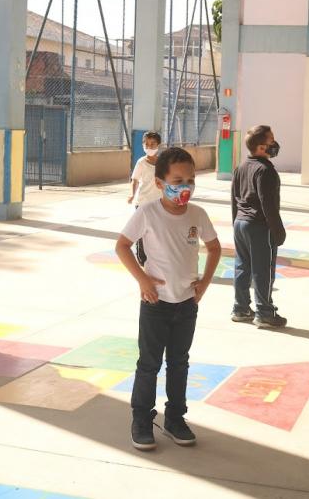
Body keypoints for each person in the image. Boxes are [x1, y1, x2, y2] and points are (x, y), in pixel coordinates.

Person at [116, 147, 221, 451]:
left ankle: (176, 418)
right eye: (178, 180)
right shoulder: (148, 213)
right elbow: (122, 246)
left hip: (186, 304)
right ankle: (141, 420)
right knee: (149, 364)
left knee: (179, 363)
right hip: (155, 305)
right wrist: (143, 279)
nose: (185, 186)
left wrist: (205, 283)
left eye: (190, 180)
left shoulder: (197, 215)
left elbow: (214, 248)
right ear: (160, 183)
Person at [231, 125, 287, 328]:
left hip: (241, 224)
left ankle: (241, 308)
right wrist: (278, 232)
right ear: (262, 147)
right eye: (272, 140)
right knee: (263, 270)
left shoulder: (241, 167)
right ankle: (264, 312)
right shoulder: (265, 170)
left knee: (242, 267)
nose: (275, 143)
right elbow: (268, 205)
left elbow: (234, 198)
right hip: (259, 227)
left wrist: (235, 224)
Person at [127, 131, 162, 266]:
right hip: (142, 203)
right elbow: (135, 180)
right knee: (142, 231)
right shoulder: (141, 162)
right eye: (146, 144)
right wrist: (132, 194)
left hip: (159, 203)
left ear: (158, 145)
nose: (149, 146)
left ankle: (155, 257)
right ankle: (142, 259)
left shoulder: (162, 163)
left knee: (156, 231)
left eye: (152, 144)